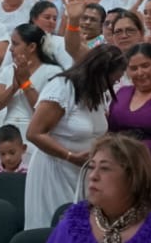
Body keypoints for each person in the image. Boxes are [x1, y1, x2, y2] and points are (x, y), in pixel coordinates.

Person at [24, 44, 126, 229]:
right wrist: (69, 156)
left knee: (82, 231)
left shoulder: (97, 94)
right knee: (55, 227)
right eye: (112, 81)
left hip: (83, 171)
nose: (112, 86)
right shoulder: (62, 87)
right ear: (99, 73)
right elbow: (34, 133)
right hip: (54, 169)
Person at [106, 43, 151, 180]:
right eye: (133, 68)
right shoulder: (121, 93)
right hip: (119, 168)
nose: (140, 73)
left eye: (145, 66)